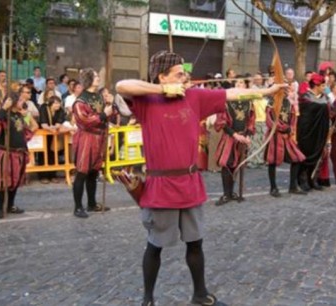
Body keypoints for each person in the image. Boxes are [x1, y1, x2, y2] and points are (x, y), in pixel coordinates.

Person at [115, 50, 285, 306]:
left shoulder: (194, 96)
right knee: (155, 246)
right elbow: (120, 85)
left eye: (185, 74)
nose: (185, 79)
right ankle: (147, 299)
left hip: (190, 183)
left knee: (195, 243)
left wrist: (268, 91)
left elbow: (233, 94)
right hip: (161, 186)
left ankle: (200, 294)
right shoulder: (147, 100)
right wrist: (163, 91)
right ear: (162, 76)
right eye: (179, 74)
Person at [0, 94, 38, 219]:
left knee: (15, 180)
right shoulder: (4, 117)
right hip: (5, 154)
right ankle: (0, 208)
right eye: (20, 100)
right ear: (13, 102)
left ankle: (10, 205)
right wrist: (4, 108)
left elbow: (23, 131)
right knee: (3, 181)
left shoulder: (18, 115)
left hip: (18, 153)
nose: (23, 101)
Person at [72, 68, 114, 218]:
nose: (98, 78)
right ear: (89, 79)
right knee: (82, 173)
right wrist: (104, 114)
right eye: (95, 76)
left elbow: (108, 116)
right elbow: (84, 121)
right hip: (87, 138)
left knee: (94, 172)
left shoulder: (99, 97)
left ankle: (91, 203)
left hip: (99, 137)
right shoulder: (80, 101)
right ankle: (78, 207)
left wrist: (110, 106)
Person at [214, 78, 255, 205]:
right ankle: (226, 194)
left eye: (241, 83)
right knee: (227, 164)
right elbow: (222, 122)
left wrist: (247, 135)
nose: (239, 84)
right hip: (230, 138)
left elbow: (251, 121)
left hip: (242, 138)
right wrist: (234, 134)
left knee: (237, 165)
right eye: (236, 83)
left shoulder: (249, 102)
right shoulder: (226, 102)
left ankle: (232, 192)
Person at [264, 84, 306, 197]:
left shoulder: (288, 103)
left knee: (296, 159)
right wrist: (283, 128)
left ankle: (293, 186)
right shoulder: (271, 103)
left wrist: (290, 129)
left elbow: (293, 118)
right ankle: (273, 188)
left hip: (287, 136)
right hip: (275, 136)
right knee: (272, 162)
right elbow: (270, 121)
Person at [297, 73, 331, 191]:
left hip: (320, 131)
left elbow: (331, 111)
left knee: (318, 155)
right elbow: (307, 113)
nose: (325, 87)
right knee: (305, 155)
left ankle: (313, 179)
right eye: (323, 85)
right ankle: (302, 179)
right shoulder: (305, 97)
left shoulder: (325, 98)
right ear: (316, 85)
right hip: (307, 132)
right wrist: (323, 108)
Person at [38, 96, 66, 183]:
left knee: (54, 153)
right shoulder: (44, 108)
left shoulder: (60, 110)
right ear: (51, 104)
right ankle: (43, 176)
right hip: (44, 133)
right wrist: (51, 129)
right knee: (43, 154)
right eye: (56, 103)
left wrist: (55, 127)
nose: (58, 105)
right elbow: (43, 123)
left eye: (59, 103)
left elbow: (59, 121)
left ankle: (53, 175)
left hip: (54, 134)